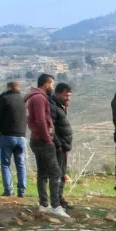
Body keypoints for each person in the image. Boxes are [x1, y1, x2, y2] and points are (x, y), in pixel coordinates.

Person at [25, 74, 63, 217]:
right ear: (46, 84)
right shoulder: (40, 98)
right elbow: (41, 120)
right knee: (55, 172)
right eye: (52, 84)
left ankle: (43, 204)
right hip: (43, 140)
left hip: (36, 139)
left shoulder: (33, 97)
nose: (52, 87)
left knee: (42, 173)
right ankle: (55, 205)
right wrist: (48, 138)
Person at [0, 81, 28, 197]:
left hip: (7, 136)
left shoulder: (4, 100)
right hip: (21, 136)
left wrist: (0, 131)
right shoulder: (23, 101)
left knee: (5, 164)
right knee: (21, 164)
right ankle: (22, 191)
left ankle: (8, 189)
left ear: (8, 88)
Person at [51, 82, 74, 213]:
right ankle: (56, 201)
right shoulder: (53, 107)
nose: (68, 98)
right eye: (66, 95)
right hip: (59, 147)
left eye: (69, 96)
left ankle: (60, 198)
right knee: (58, 174)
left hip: (64, 146)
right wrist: (59, 144)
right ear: (58, 93)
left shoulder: (60, 106)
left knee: (62, 173)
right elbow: (51, 128)